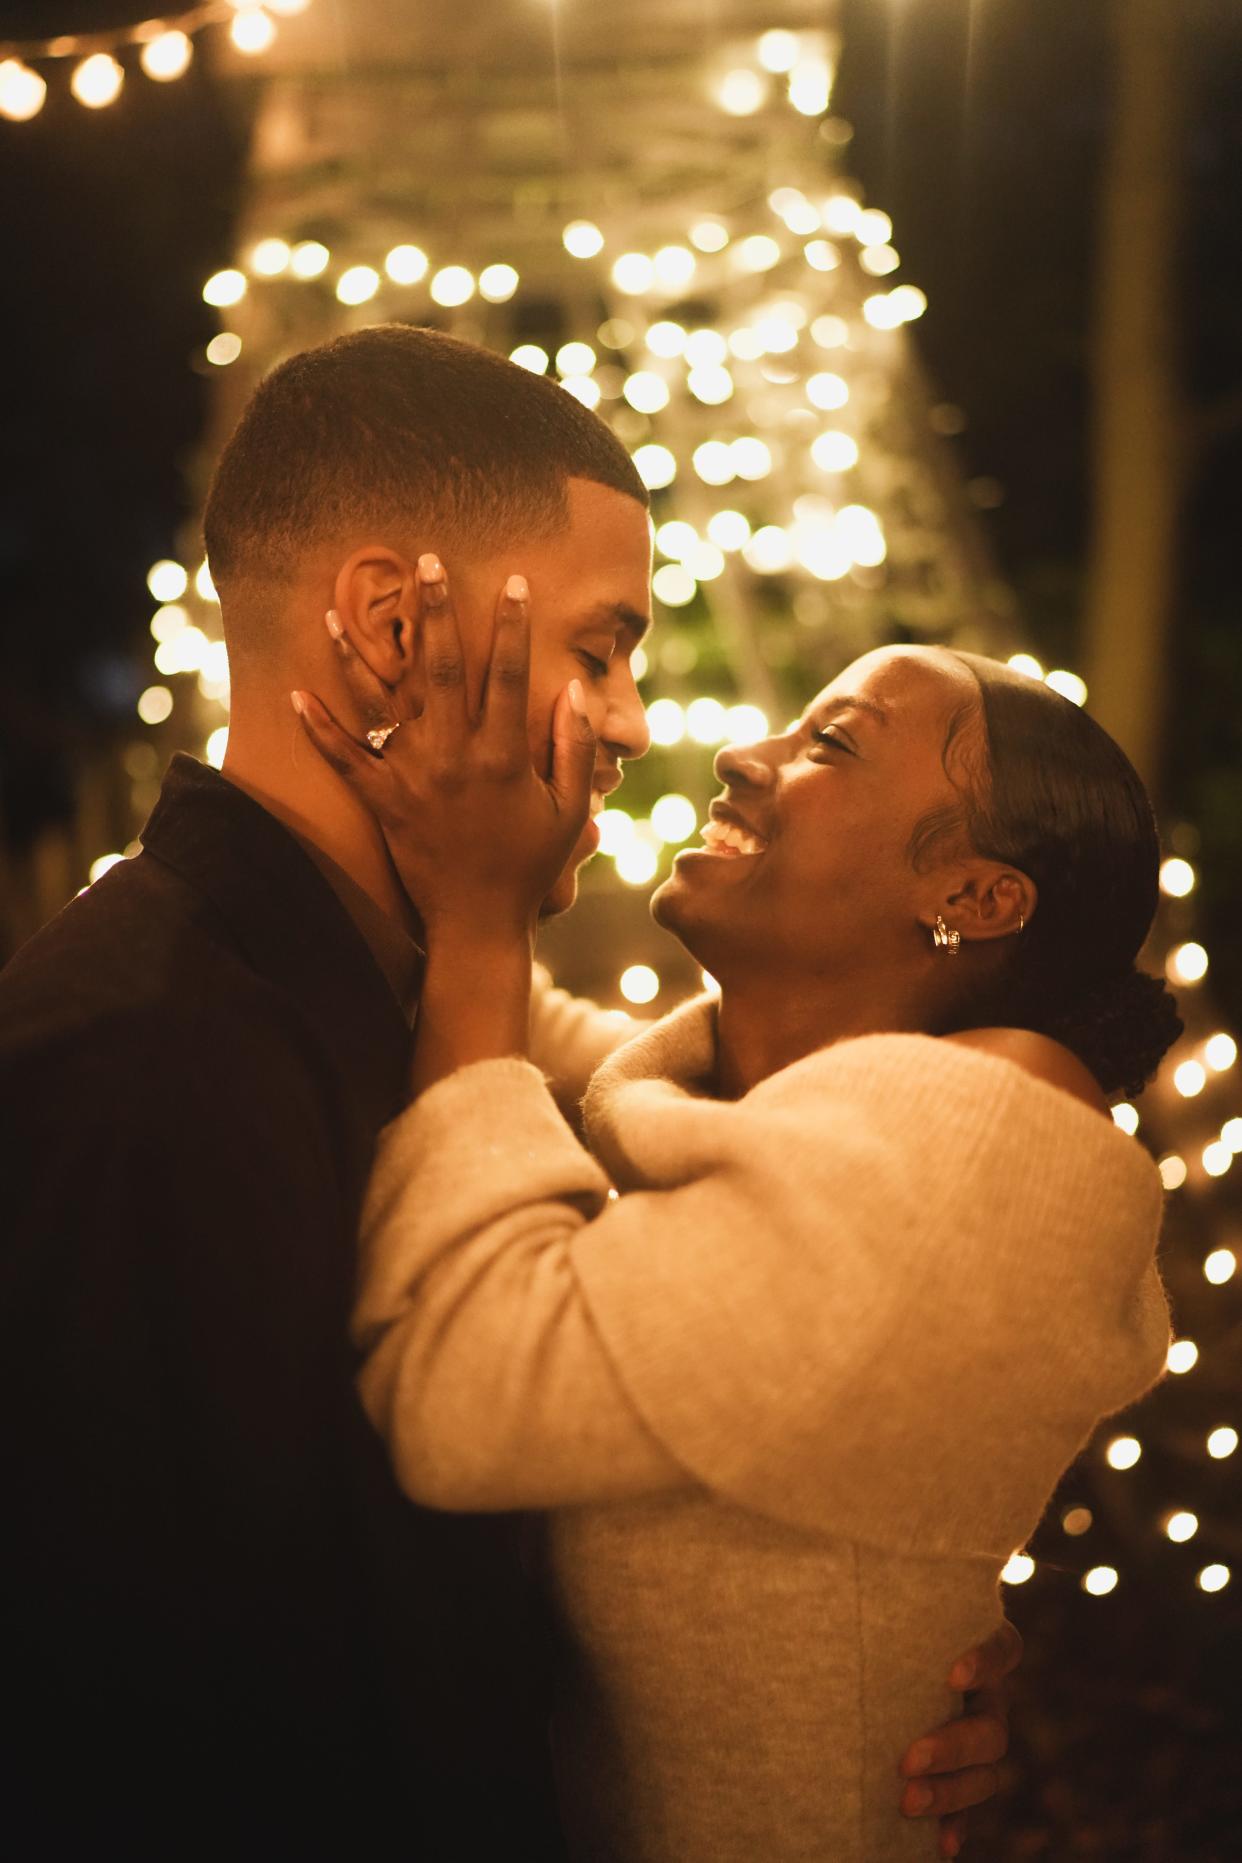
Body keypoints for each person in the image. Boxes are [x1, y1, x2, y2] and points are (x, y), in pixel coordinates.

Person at [0, 325, 1004, 1858]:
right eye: (599, 649)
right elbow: (156, 1748)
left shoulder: (439, 1016)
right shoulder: (133, 1065)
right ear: (391, 625)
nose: (635, 722)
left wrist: (879, 1650)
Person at [293, 585, 1180, 1860]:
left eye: (832, 744)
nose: (740, 753)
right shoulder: (827, 1121)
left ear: (979, 900)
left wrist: (482, 922)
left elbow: (461, 1395)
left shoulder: (946, 1181)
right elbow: (565, 1062)